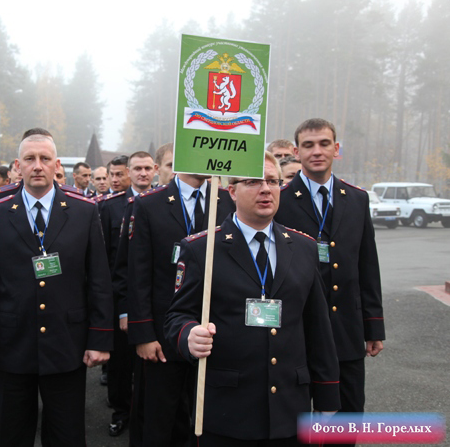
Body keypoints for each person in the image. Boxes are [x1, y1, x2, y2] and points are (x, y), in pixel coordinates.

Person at [164, 151, 340, 446]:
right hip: (227, 412)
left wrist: (327, 395)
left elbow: (318, 328)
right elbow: (176, 318)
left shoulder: (304, 248)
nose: (266, 189)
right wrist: (188, 336)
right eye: (254, 181)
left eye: (273, 181)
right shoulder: (202, 249)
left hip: (290, 408)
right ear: (231, 191)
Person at [0, 133, 113, 446]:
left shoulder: (84, 211)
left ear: (56, 165)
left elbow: (99, 280)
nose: (37, 166)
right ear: (18, 166)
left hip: (67, 343)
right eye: (29, 159)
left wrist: (100, 338)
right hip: (12, 345)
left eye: (45, 159)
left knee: (67, 433)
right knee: (14, 433)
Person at [275, 118, 385, 447]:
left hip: (346, 330)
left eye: (324, 144)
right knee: (298, 420)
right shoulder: (279, 199)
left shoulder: (357, 198)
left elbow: (368, 265)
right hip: (299, 330)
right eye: (308, 145)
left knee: (347, 416)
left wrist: (373, 326)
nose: (317, 151)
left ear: (337, 149)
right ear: (296, 151)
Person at [127, 167, 235, 447]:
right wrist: (144, 335)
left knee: (211, 416)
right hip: (163, 335)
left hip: (217, 331)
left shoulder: (228, 199)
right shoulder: (149, 203)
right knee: (161, 417)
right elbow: (138, 273)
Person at [97, 151, 154, 437]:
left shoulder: (162, 203)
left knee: (150, 366)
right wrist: (119, 307)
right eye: (137, 169)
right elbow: (105, 261)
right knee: (120, 365)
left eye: (147, 168)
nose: (142, 174)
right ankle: (122, 412)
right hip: (118, 298)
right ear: (128, 173)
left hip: (152, 300)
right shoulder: (109, 207)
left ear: (154, 170)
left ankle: (146, 415)